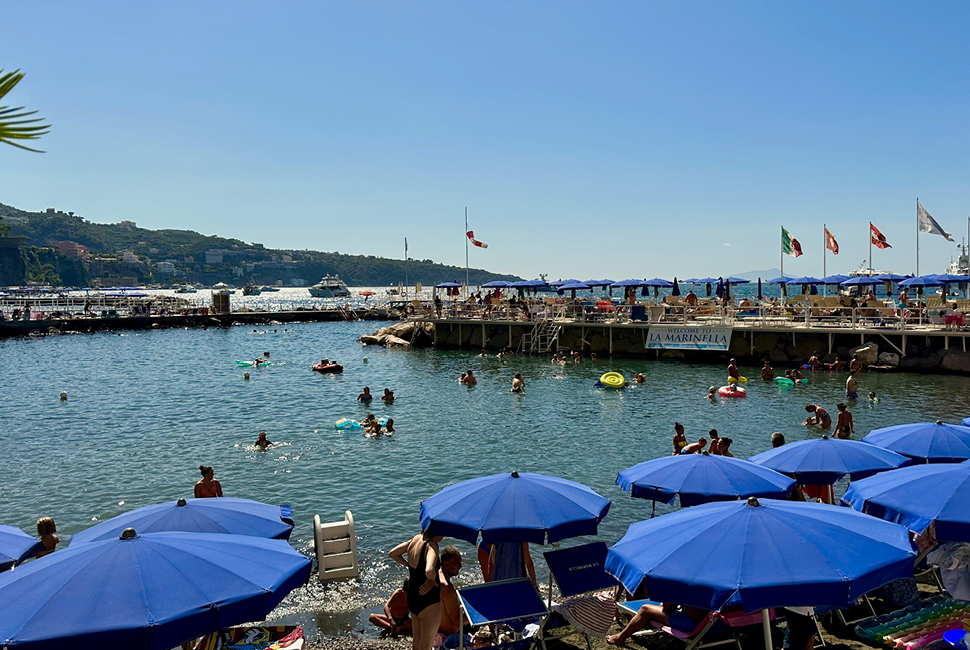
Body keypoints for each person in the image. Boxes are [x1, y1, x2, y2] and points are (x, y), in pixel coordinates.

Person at [389, 529, 444, 650]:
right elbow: (429, 570)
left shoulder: (415, 539)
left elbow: (393, 554)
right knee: (426, 645)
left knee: (417, 642)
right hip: (428, 599)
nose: (444, 536)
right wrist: (431, 579)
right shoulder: (432, 545)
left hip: (413, 597)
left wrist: (408, 565)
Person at [607, 602, 713, 646]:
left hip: (692, 623)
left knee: (645, 609)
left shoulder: (689, 581)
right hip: (717, 624)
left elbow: (667, 606)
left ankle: (619, 638)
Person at [435, 546, 466, 647]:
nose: (460, 566)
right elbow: (457, 621)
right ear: (445, 564)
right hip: (447, 635)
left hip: (436, 630)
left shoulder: (436, 577)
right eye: (457, 563)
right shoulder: (446, 586)